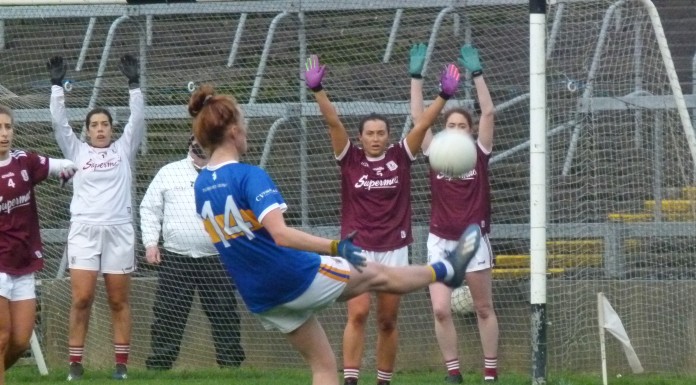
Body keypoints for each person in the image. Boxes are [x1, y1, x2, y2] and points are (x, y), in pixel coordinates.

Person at [188, 69, 479, 385]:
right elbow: (282, 235)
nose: (246, 132)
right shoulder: (249, 175)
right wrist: (334, 247)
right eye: (243, 126)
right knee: (377, 274)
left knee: (324, 366)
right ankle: (446, 270)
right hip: (293, 278)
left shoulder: (201, 184)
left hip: (260, 298)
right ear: (232, 132)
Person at [305, 53, 453, 385]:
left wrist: (443, 95)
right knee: (357, 313)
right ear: (361, 137)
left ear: (388, 136)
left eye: (381, 133)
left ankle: (383, 380)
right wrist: (318, 90)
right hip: (357, 249)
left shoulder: (400, 156)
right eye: (369, 133)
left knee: (387, 320)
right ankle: (351, 380)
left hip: (394, 248)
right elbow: (333, 123)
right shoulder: (350, 158)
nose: (375, 138)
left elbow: (424, 124)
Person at [47, 54, 144, 381]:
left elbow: (138, 120)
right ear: (87, 131)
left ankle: (121, 366)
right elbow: (59, 124)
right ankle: (75, 363)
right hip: (84, 233)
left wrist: (135, 86)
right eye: (94, 125)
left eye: (105, 125)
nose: (100, 129)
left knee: (118, 300)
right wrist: (57, 88)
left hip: (119, 232)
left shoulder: (123, 150)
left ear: (112, 130)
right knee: (82, 298)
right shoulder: (77, 152)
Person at [409, 43, 500, 383]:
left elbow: (489, 113)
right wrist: (416, 78)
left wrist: (477, 74)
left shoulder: (479, 151)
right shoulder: (435, 152)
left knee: (483, 307)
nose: (458, 129)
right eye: (452, 125)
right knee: (440, 308)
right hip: (440, 240)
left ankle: (490, 373)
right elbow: (420, 120)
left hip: (472, 240)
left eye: (463, 125)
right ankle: (453, 373)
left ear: (471, 130)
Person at [140, 135, 245, 370]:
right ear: (189, 143)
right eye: (196, 140)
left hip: (217, 257)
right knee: (168, 314)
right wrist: (150, 243)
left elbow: (242, 212)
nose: (200, 145)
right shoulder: (169, 172)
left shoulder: (228, 173)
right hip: (176, 257)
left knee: (224, 312)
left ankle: (231, 368)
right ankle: (159, 367)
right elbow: (149, 208)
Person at [0, 105, 77, 385]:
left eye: (8, 127)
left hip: (23, 262)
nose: (4, 133)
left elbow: (66, 164)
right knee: (2, 336)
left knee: (19, 341)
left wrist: (67, 174)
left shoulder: (24, 161)